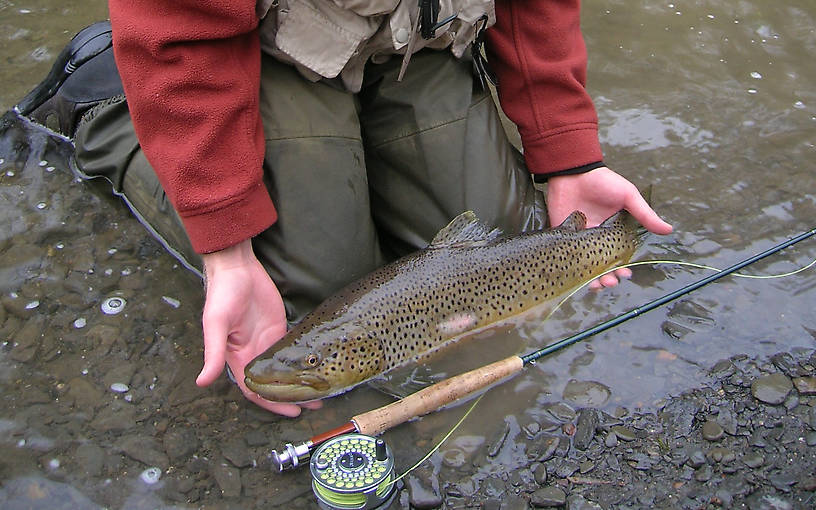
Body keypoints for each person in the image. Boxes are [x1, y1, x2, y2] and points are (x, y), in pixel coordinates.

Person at [21, 0, 672, 417]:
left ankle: (357, 143)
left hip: (421, 38)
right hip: (266, 44)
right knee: (308, 290)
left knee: (513, 245)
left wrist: (569, 155)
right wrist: (224, 242)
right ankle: (104, 107)